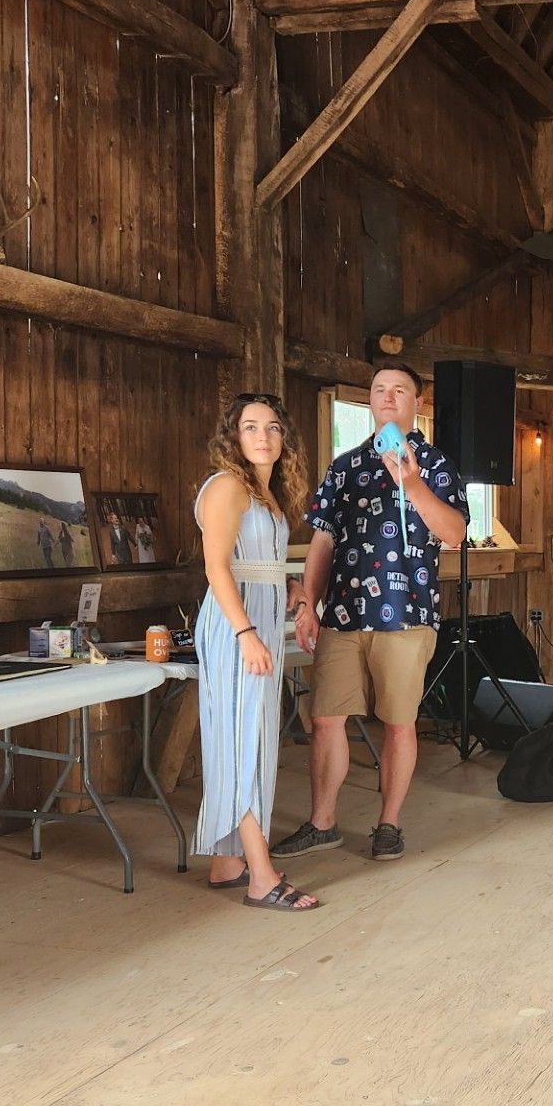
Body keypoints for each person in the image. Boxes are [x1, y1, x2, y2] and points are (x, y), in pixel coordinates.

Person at [276, 362, 468, 864]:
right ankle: (322, 823)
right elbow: (322, 539)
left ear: (416, 403)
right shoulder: (344, 466)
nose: (387, 397)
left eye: (399, 390)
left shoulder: (437, 464)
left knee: (399, 723)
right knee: (325, 719)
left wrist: (413, 483)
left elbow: (454, 534)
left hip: (407, 616)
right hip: (342, 615)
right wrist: (309, 606)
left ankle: (389, 824)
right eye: (379, 390)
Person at [193, 392, 319, 911]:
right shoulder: (227, 486)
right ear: (234, 436)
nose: (263, 436)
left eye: (272, 427)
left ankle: (228, 861)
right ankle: (261, 877)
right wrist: (247, 633)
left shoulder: (262, 493)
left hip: (258, 623)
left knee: (250, 739)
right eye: (250, 427)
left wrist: (286, 588)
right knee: (244, 743)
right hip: (236, 631)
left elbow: (256, 562)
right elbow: (217, 567)